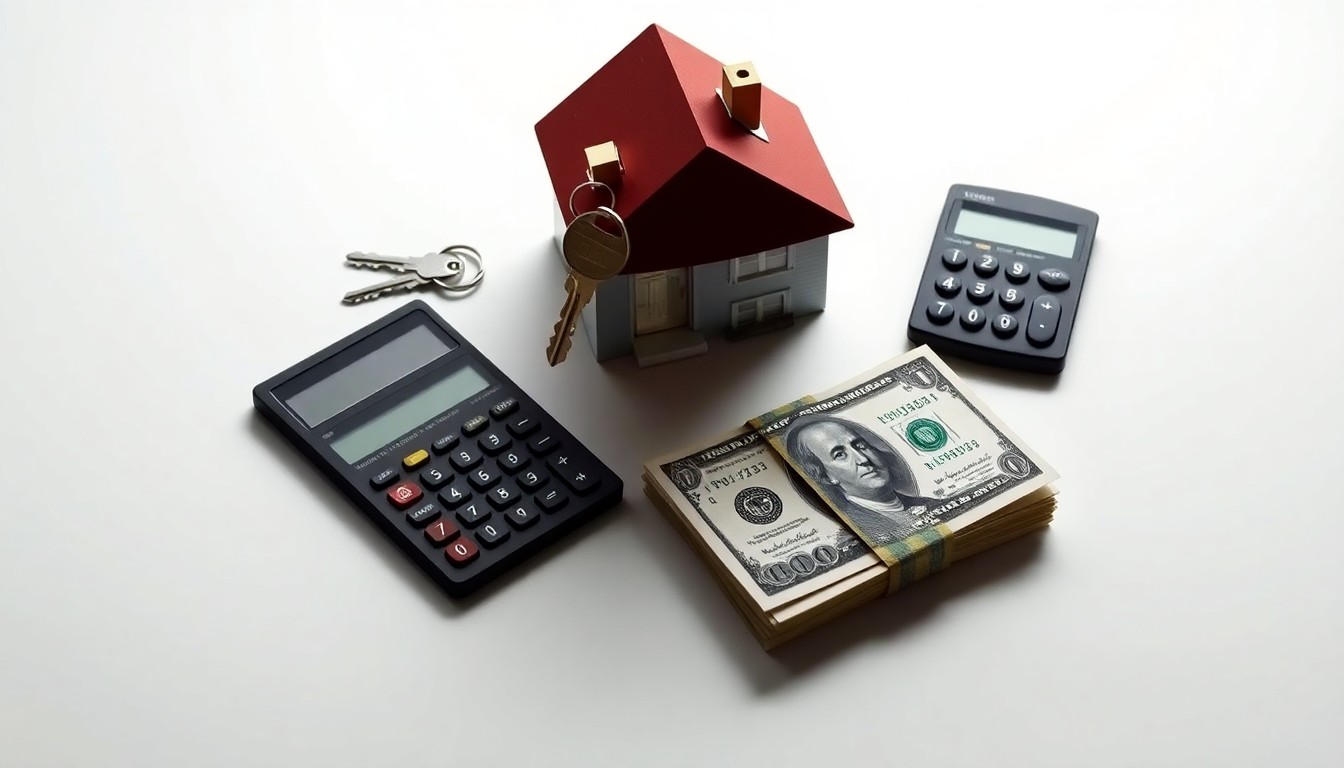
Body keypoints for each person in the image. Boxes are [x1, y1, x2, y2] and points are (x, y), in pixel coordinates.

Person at [784, 415, 943, 544]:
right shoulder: (850, 536)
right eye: (840, 454)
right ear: (826, 477)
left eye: (859, 445)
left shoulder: (932, 504)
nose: (862, 459)